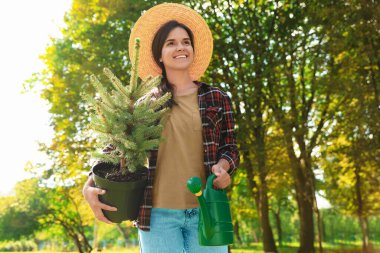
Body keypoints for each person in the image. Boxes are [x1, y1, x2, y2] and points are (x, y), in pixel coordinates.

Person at [82, 3, 239, 253]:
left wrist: (224, 166)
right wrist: (88, 184)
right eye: (171, 43)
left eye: (186, 41)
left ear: (193, 49)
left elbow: (230, 146)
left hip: (207, 211)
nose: (180, 47)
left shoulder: (216, 97)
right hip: (157, 217)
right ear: (159, 54)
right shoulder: (145, 105)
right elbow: (114, 149)